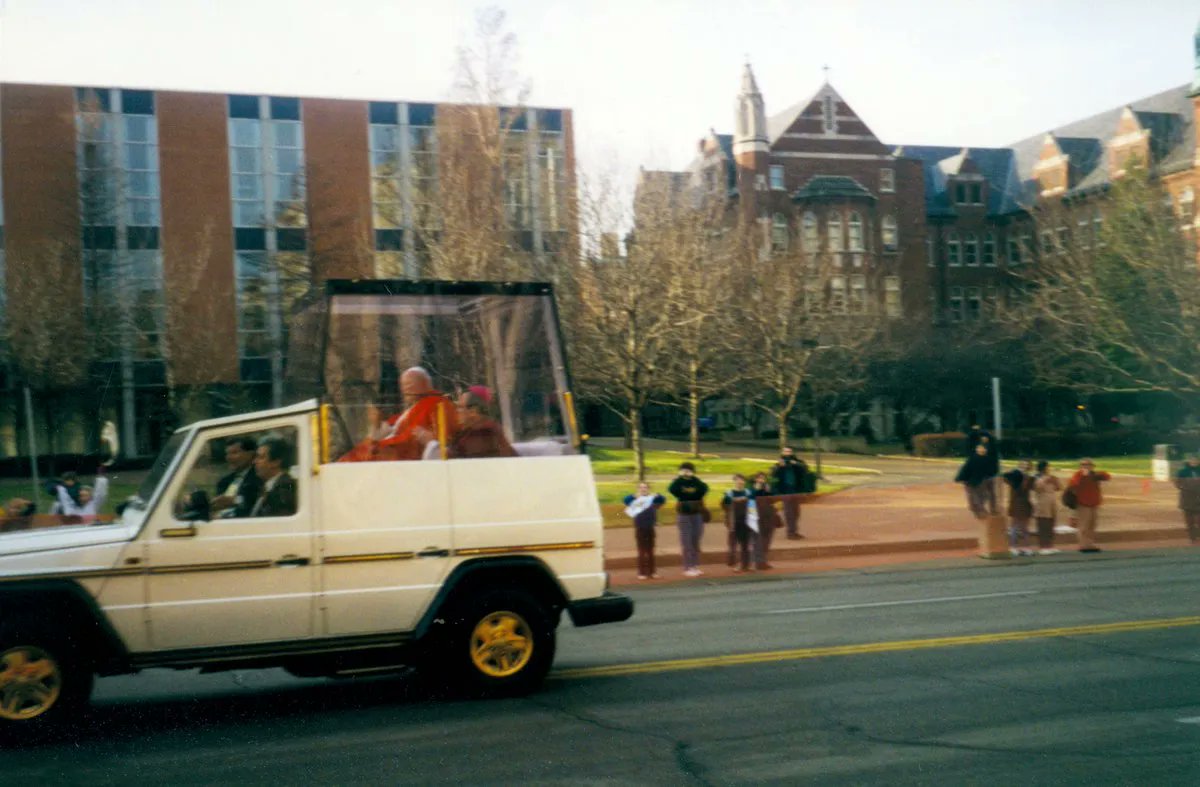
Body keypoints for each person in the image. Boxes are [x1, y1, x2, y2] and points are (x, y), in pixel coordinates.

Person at [338, 366, 458, 462]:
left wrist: (380, 444)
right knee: (357, 453)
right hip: (395, 450)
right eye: (403, 385)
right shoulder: (413, 406)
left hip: (408, 457)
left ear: (424, 384)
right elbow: (393, 429)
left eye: (411, 384)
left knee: (366, 453)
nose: (406, 389)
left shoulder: (436, 403)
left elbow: (414, 437)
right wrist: (377, 424)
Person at [449, 386, 517, 459]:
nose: (456, 410)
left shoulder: (481, 434)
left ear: (473, 411)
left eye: (460, 407)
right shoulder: (468, 431)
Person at [668, 462, 709, 578]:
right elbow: (672, 489)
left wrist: (694, 478)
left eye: (688, 470)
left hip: (697, 514)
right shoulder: (678, 483)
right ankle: (687, 567)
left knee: (696, 539)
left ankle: (695, 566)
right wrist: (679, 478)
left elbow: (704, 489)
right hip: (684, 514)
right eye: (684, 470)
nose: (686, 472)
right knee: (686, 541)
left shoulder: (696, 482)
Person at [1066, 458, 1111, 553]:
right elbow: (1073, 486)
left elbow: (1107, 477)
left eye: (1088, 465)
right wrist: (1083, 476)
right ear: (1080, 466)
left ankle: (1090, 544)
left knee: (1092, 525)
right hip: (1083, 504)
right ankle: (1083, 545)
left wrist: (1096, 475)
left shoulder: (1094, 475)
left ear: (1092, 466)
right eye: (1084, 465)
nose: (1086, 467)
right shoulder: (1077, 475)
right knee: (1083, 526)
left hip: (1094, 504)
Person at [211, 436, 262, 518]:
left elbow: (253, 500)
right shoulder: (224, 481)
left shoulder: (259, 477)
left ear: (250, 454)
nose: (229, 457)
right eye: (227, 454)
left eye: (234, 453)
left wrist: (234, 500)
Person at [623, 481, 666, 580]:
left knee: (651, 551)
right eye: (641, 487)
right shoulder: (635, 499)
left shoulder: (651, 499)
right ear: (638, 489)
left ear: (648, 489)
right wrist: (634, 496)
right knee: (642, 551)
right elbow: (625, 500)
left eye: (645, 487)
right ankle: (641, 572)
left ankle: (652, 572)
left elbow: (662, 500)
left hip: (650, 527)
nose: (643, 489)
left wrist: (657, 495)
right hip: (640, 527)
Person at [250, 435, 298, 517]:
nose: (254, 462)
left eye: (260, 457)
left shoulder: (285, 489)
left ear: (276, 462)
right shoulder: (268, 486)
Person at [771, 447, 810, 540]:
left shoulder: (797, 462)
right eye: (785, 451)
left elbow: (805, 469)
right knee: (789, 512)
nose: (787, 453)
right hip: (785, 491)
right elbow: (773, 475)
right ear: (782, 453)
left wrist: (796, 464)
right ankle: (791, 533)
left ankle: (794, 531)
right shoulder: (778, 464)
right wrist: (779, 467)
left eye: (789, 451)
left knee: (796, 512)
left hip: (796, 490)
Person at [955, 443, 999, 519]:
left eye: (982, 448)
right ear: (976, 449)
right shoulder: (973, 459)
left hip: (983, 481)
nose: (981, 450)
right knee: (975, 498)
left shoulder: (989, 459)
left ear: (986, 450)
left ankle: (987, 511)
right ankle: (981, 511)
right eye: (979, 448)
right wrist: (960, 478)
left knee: (982, 497)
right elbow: (966, 469)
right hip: (974, 481)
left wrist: (989, 477)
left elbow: (993, 470)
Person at [721, 474, 754, 573]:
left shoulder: (748, 492)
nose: (740, 482)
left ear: (744, 482)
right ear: (734, 481)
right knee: (733, 545)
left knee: (745, 544)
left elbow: (752, 506)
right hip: (734, 522)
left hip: (746, 521)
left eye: (742, 480)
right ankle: (736, 564)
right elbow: (724, 506)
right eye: (738, 480)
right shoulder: (729, 493)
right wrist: (733, 500)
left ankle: (746, 565)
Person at [1003, 459, 1035, 556]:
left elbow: (1032, 487)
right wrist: (1015, 473)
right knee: (1015, 526)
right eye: (1023, 465)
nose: (1025, 467)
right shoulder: (1014, 476)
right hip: (1016, 502)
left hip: (1025, 503)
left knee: (1024, 527)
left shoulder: (1030, 478)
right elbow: (1005, 477)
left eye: (1027, 465)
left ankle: (1025, 547)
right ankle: (1013, 547)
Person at [1031, 460, 1062, 554]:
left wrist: (1056, 481)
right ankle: (1043, 547)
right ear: (1042, 468)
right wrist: (1045, 480)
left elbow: (1059, 488)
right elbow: (1037, 488)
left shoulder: (1051, 477)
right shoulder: (1036, 477)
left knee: (1051, 525)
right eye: (1047, 467)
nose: (1049, 468)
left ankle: (1050, 546)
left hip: (1052, 504)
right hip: (1042, 504)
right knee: (1043, 525)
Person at [750, 472, 779, 570]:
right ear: (755, 480)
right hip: (756, 517)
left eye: (763, 478)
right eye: (759, 478)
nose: (761, 480)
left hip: (768, 516)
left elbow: (775, 499)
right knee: (757, 540)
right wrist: (755, 490)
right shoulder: (750, 489)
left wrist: (770, 491)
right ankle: (758, 562)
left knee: (767, 539)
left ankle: (763, 560)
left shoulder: (768, 488)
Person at [1174, 454, 1200, 544]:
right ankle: (1192, 538)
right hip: (1187, 500)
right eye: (1192, 460)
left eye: (1196, 460)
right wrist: (1187, 488)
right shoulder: (1183, 471)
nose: (1194, 462)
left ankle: (1197, 535)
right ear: (1189, 461)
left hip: (1198, 499)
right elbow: (1177, 483)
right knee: (1189, 521)